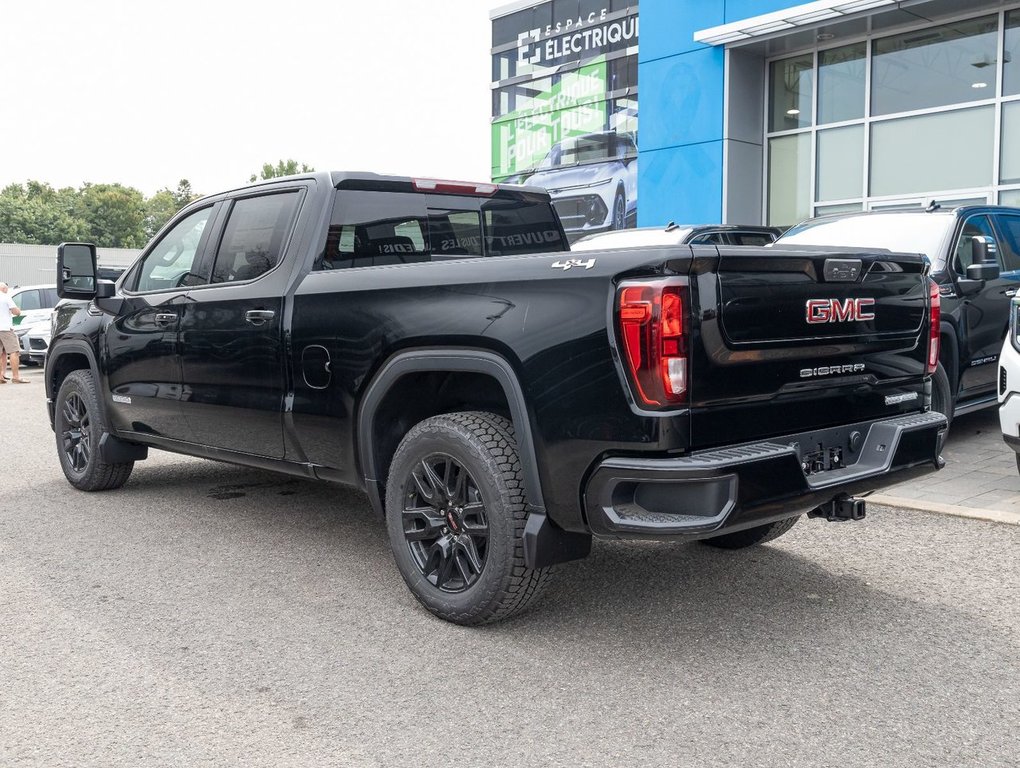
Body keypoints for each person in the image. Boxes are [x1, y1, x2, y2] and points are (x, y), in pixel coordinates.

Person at [0, 282, 29, 384]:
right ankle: (16, 376)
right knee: (14, 351)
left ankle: (1, 376)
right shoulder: (5, 297)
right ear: (3, 289)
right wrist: (18, 311)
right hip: (5, 329)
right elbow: (16, 312)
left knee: (1, 353)